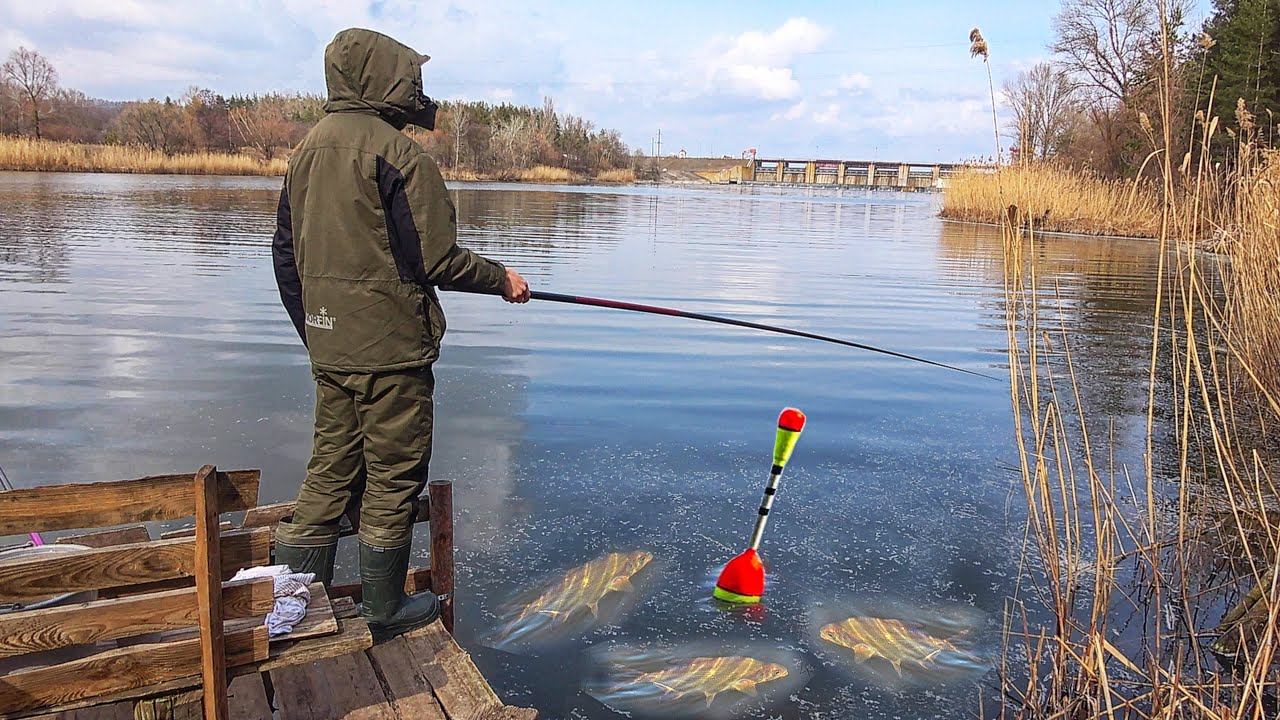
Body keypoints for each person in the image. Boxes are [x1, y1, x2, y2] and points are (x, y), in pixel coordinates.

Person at [271, 27, 530, 640]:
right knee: (393, 475)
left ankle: (291, 602)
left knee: (329, 467)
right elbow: (435, 260)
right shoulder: (400, 156)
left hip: (331, 345)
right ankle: (381, 608)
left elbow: (285, 255)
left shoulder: (305, 151)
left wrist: (317, 331)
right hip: (391, 353)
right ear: (385, 78)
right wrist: (503, 280)